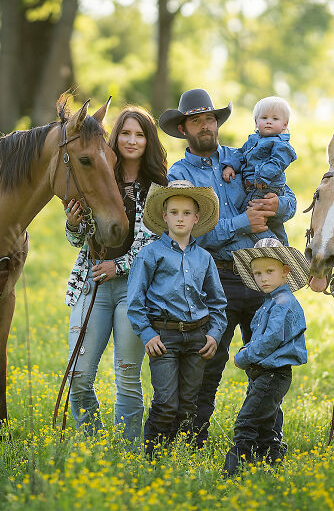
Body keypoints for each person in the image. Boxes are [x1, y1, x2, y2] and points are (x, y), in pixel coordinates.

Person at [158, 87, 297, 447]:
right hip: (214, 278)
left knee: (269, 359)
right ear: (183, 129)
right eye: (196, 121)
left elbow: (291, 200)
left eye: (209, 119)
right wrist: (242, 224)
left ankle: (267, 441)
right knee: (207, 362)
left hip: (260, 274)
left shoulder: (243, 156)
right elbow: (188, 231)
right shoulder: (181, 173)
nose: (205, 126)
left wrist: (276, 204)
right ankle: (192, 438)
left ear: (216, 123)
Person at [63, 106, 168, 444]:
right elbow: (79, 241)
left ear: (148, 140)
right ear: (114, 137)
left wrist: (118, 266)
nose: (132, 140)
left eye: (139, 134)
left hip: (134, 293)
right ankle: (93, 444)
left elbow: (154, 244)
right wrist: (73, 224)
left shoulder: (157, 186)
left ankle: (126, 451)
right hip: (92, 284)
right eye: (125, 133)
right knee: (78, 375)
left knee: (127, 376)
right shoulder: (97, 175)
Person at [126, 180, 227, 456]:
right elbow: (135, 302)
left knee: (187, 405)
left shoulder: (204, 258)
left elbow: (218, 303)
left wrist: (214, 334)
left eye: (186, 213)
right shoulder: (150, 255)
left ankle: (175, 455)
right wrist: (148, 335)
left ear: (196, 218)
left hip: (197, 337)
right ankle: (151, 455)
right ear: (164, 216)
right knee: (166, 402)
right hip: (164, 338)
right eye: (174, 212)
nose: (179, 218)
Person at [222, 238, 310, 476]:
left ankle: (234, 470)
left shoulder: (282, 303)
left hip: (273, 374)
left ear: (285, 272)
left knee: (246, 421)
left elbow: (269, 340)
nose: (263, 278)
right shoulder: (270, 302)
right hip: (266, 374)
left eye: (269, 271)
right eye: (258, 273)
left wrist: (244, 356)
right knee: (267, 422)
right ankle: (272, 463)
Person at [220, 96, 296, 242]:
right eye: (264, 117)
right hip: (254, 187)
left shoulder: (281, 145)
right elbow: (240, 154)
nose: (269, 121)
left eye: (275, 119)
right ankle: (281, 247)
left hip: (265, 187)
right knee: (270, 222)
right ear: (256, 122)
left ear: (284, 125)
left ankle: (272, 246)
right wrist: (230, 166)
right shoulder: (252, 140)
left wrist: (261, 176)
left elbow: (277, 163)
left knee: (252, 216)